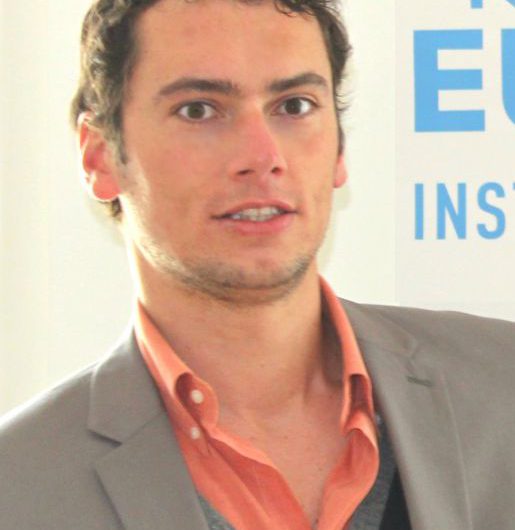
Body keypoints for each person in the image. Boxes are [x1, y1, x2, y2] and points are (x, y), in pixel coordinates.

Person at [1, 0, 515, 528]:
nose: (263, 155)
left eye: (294, 106)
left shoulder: (503, 390)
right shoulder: (18, 487)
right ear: (99, 156)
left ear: (339, 149)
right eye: (198, 110)